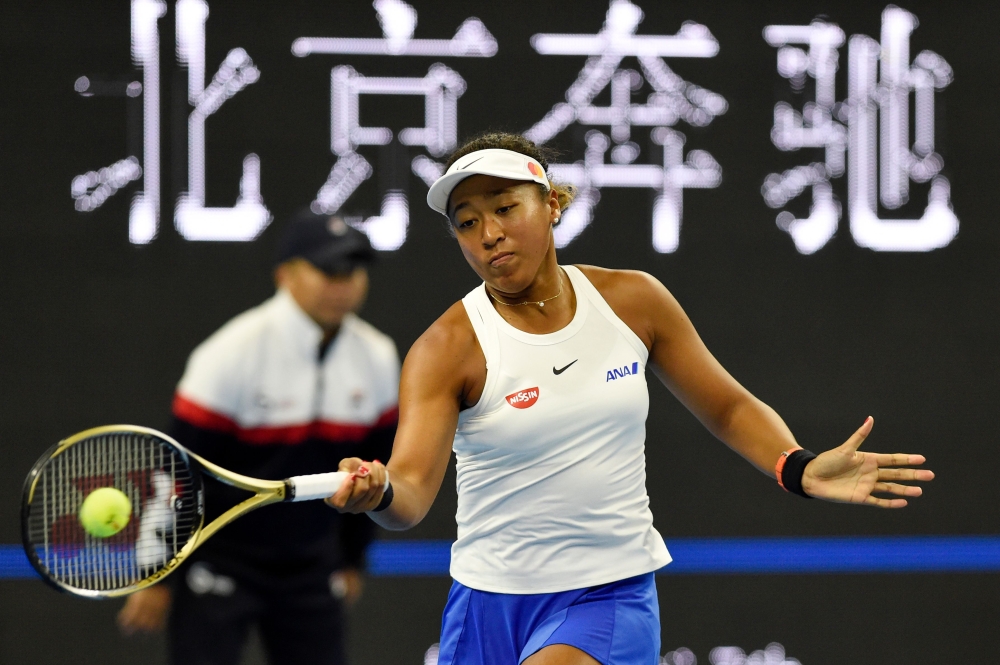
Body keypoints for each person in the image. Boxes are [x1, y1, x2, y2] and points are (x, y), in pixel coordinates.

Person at [327, 132, 934, 665]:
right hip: (485, 603)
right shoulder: (445, 348)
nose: (488, 234)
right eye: (466, 222)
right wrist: (379, 491)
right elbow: (408, 495)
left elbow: (727, 406)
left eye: (506, 208)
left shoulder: (634, 301)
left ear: (553, 204)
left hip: (607, 593)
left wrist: (796, 466)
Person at [117, 211, 400, 665]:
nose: (343, 282)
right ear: (285, 275)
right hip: (220, 561)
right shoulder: (229, 353)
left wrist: (350, 559)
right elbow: (176, 475)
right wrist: (158, 575)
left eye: (353, 269)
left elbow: (375, 471)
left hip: (312, 566)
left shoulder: (380, 357)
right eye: (329, 270)